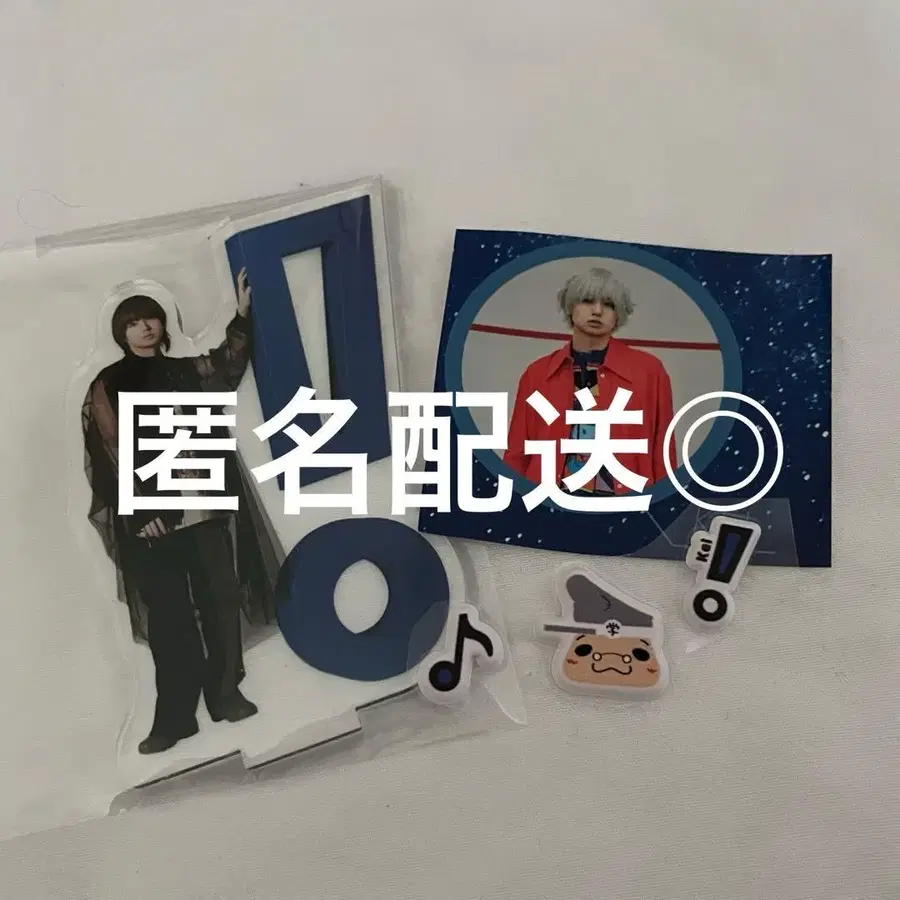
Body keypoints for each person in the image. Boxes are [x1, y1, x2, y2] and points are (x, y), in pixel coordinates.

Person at [81, 269, 280, 755]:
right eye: (133, 323)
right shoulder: (107, 385)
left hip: (204, 505)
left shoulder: (188, 370)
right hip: (152, 517)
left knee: (221, 600)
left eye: (150, 318)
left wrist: (242, 314)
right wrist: (140, 509)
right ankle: (174, 718)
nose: (145, 327)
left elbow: (228, 365)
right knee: (170, 616)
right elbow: (108, 452)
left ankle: (225, 696)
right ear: (121, 333)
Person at [503, 267, 675, 494]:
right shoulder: (537, 374)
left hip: (626, 500)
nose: (597, 311)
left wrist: (663, 501)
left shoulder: (649, 371)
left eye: (609, 304)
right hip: (549, 498)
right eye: (587, 301)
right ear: (570, 306)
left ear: (619, 314)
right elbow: (518, 452)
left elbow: (663, 450)